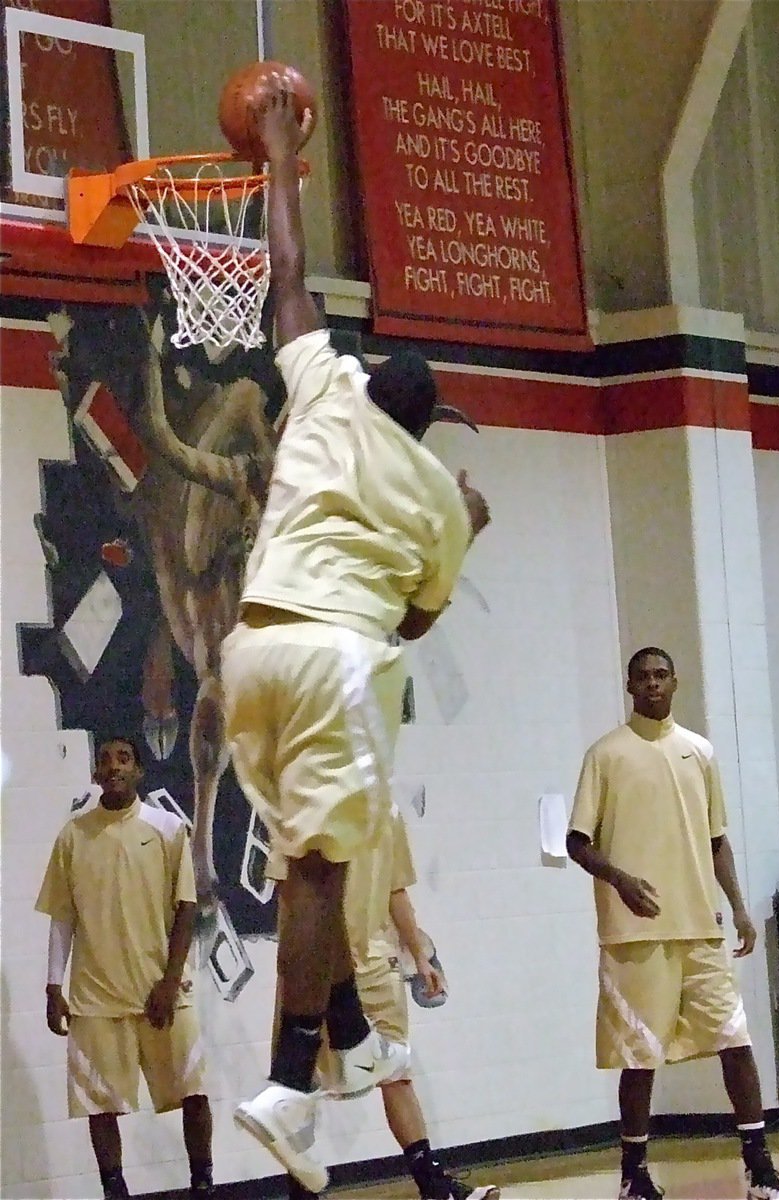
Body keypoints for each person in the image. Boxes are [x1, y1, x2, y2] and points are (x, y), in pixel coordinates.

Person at [221, 83, 490, 1193]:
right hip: (336, 661)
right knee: (325, 875)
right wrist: (464, 527)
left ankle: (355, 1033)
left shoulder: (325, 388)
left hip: (250, 656)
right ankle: (291, 1083)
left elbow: (285, 277)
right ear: (426, 424)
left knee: (305, 863)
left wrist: (280, 153)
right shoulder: (435, 497)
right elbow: (417, 620)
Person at [566, 648, 779, 1200]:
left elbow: (716, 838)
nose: (652, 683)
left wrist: (740, 908)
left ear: (675, 681)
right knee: (641, 1055)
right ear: (628, 684)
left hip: (700, 925)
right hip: (635, 932)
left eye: (661, 675)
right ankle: (634, 1175)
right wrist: (622, 880)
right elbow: (576, 842)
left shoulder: (699, 751)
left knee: (735, 1040)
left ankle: (760, 1172)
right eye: (642, 676)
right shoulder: (605, 753)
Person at [270, 805, 500, 1200]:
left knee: (397, 1072)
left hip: (376, 961)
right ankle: (300, 1190)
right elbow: (287, 893)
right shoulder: (299, 806)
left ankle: (434, 1186)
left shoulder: (386, 811)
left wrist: (420, 955)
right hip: (314, 966)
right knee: (297, 1082)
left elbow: (396, 889)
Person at [35, 737, 213, 1200]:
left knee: (193, 1092)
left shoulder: (169, 828)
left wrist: (171, 982)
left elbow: (187, 909)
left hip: (163, 991)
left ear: (138, 772)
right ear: (95, 775)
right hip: (96, 996)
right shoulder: (72, 836)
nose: (113, 766)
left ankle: (203, 1184)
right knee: (100, 1106)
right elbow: (62, 916)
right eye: (105, 760)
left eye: (124, 758)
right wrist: (54, 985)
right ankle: (115, 1190)